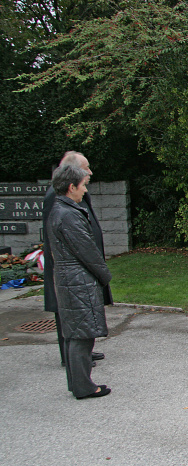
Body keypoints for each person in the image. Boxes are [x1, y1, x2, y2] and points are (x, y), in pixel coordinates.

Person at [46, 161, 112, 399]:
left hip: (69, 280)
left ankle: (78, 384)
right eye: (84, 185)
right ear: (71, 187)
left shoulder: (60, 210)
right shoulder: (68, 215)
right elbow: (88, 252)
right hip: (78, 281)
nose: (86, 190)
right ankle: (84, 387)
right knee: (82, 336)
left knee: (74, 334)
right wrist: (105, 276)